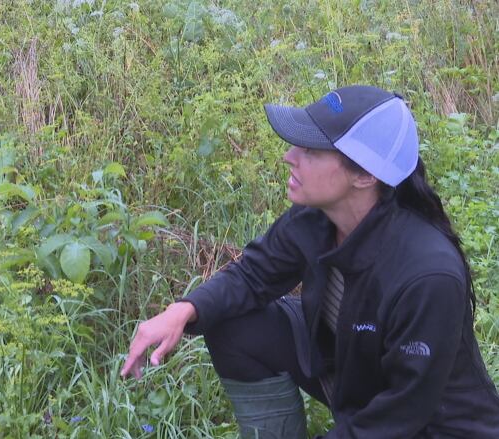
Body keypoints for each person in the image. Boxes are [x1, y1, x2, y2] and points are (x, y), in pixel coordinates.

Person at [120, 85, 499, 438]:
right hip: (355, 373)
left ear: (366, 175)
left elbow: (403, 411)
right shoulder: (319, 217)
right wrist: (182, 310)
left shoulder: (427, 274)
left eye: (312, 151)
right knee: (233, 323)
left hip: (431, 427)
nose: (290, 156)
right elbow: (253, 275)